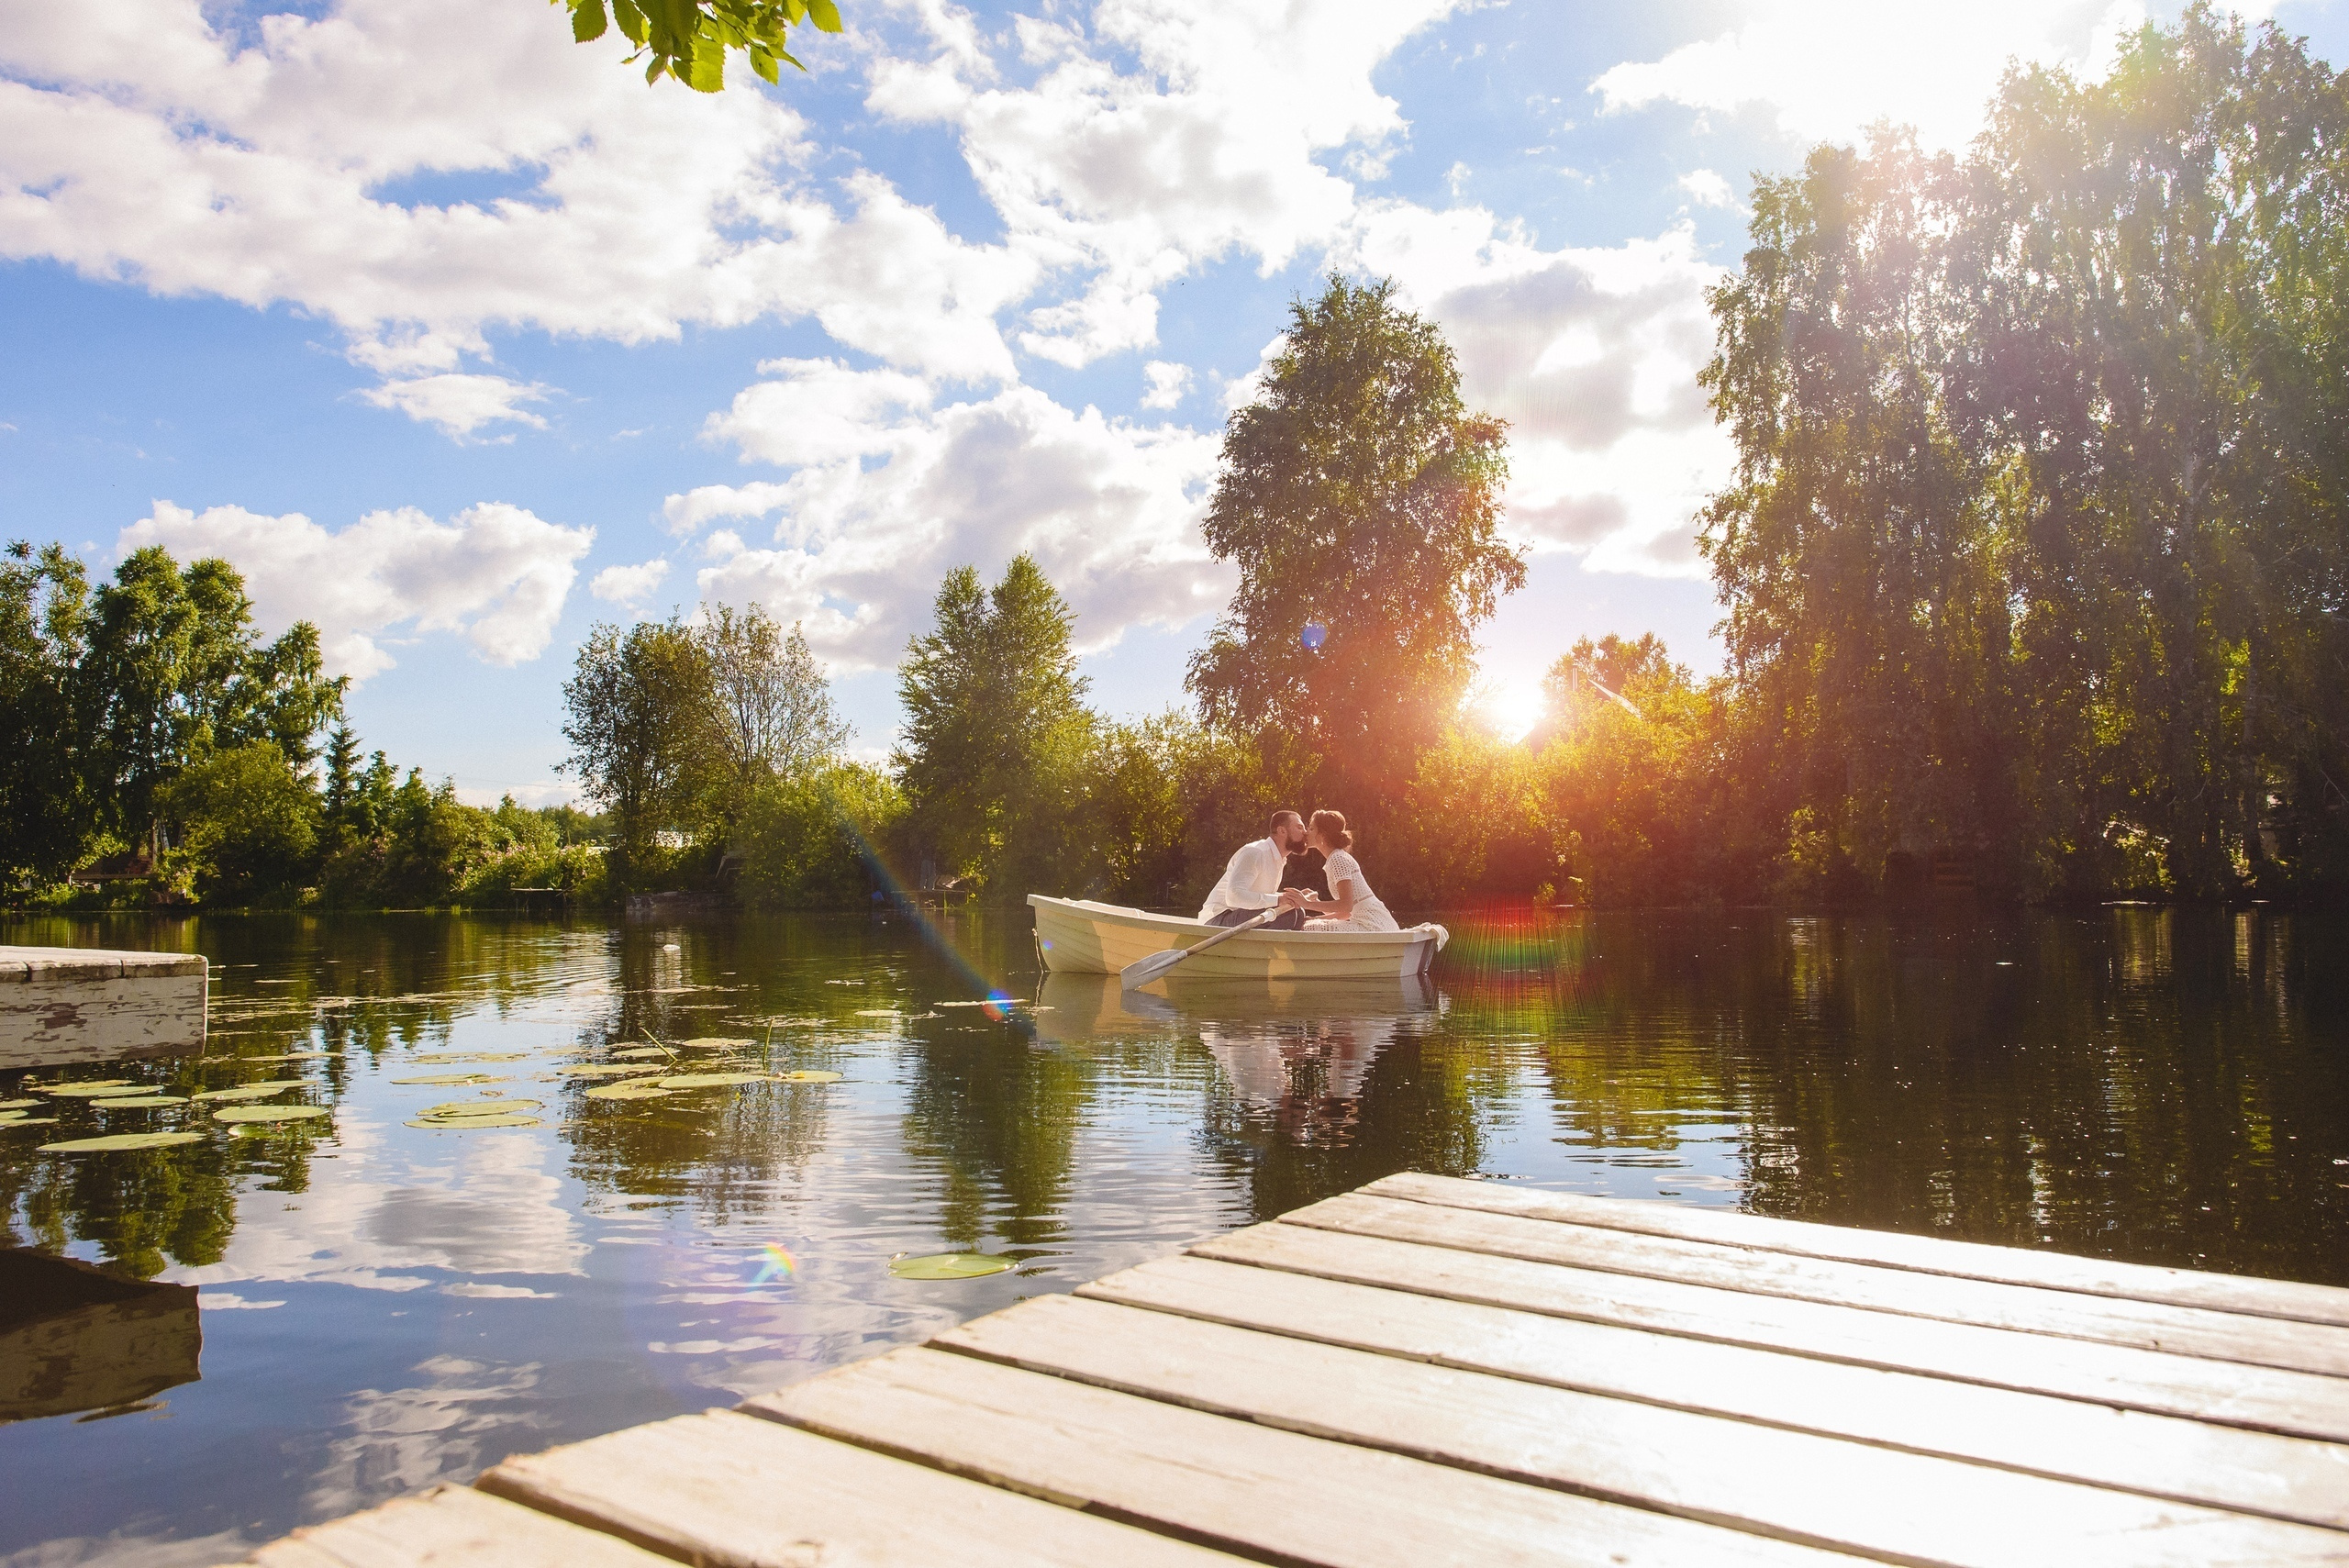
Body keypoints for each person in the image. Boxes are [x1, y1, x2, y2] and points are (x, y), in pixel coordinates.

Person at [1279, 809, 1398, 932]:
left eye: (1311, 828)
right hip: (1373, 922)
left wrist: (1307, 904)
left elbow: (1346, 906)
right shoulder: (1336, 857)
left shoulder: (1337, 859)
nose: (1306, 833)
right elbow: (1346, 913)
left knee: (1305, 928)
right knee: (1308, 923)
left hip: (1372, 925)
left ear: (1322, 835)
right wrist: (1315, 910)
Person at [1197, 810, 1310, 929]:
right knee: (1289, 914)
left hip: (1238, 917)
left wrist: (1293, 897)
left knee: (1299, 912)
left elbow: (1262, 896)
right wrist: (1279, 899)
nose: (1305, 832)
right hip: (1218, 919)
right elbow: (1233, 897)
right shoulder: (1255, 852)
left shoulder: (1278, 859)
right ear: (1282, 831)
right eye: (1299, 827)